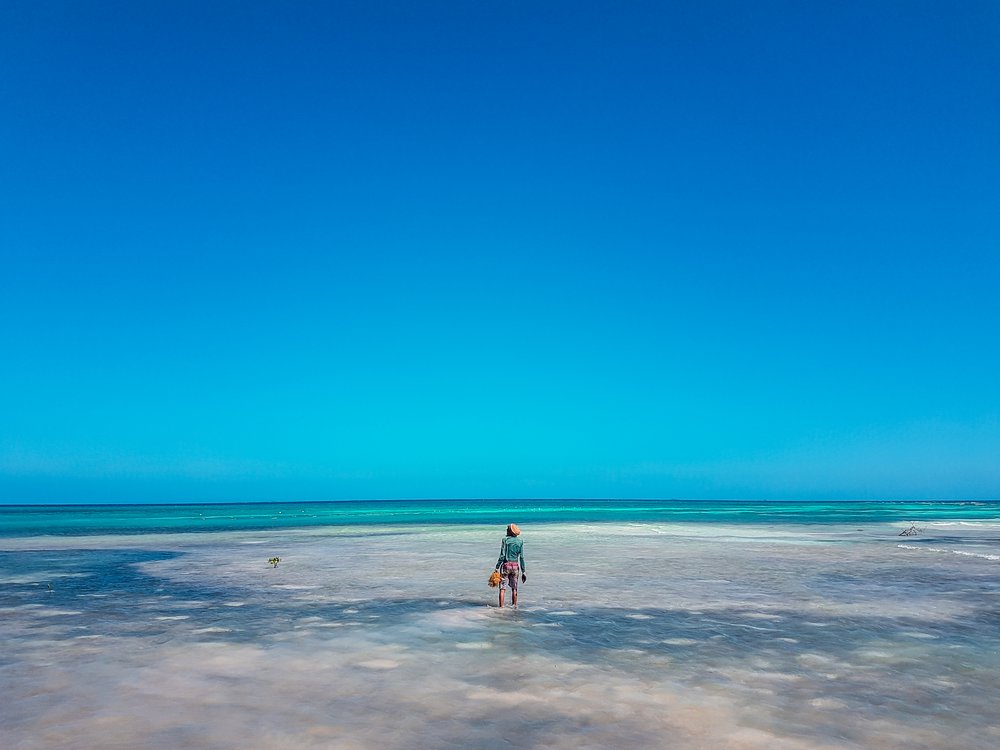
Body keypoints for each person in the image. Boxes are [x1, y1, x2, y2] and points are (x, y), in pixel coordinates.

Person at [494, 523, 526, 608]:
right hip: (515, 567)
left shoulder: (505, 540)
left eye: (507, 529)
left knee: (502, 588)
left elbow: (502, 555)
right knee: (514, 588)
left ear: (510, 531)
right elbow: (522, 557)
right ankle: (514, 607)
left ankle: (501, 608)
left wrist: (497, 567)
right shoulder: (520, 542)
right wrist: (524, 572)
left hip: (506, 566)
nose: (506, 530)